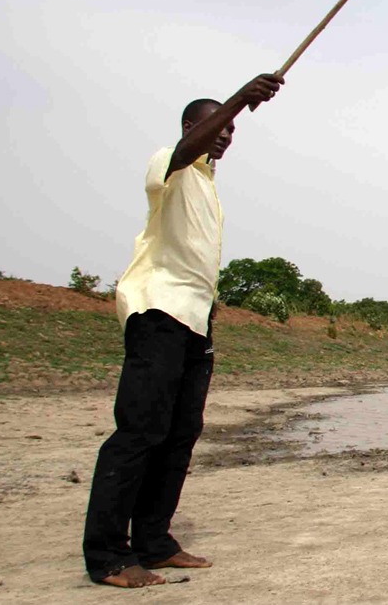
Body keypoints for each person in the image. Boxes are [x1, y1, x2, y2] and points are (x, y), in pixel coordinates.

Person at [82, 73, 284, 588]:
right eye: (217, 125)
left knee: (179, 434)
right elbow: (186, 147)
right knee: (139, 433)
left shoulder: (209, 187)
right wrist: (242, 97)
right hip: (158, 314)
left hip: (196, 321)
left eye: (232, 130)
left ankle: (155, 542)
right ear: (191, 126)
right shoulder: (169, 164)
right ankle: (107, 555)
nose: (225, 135)